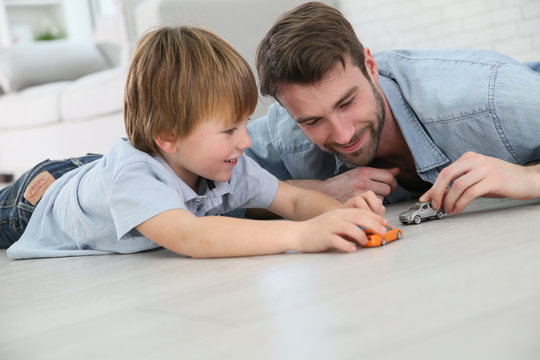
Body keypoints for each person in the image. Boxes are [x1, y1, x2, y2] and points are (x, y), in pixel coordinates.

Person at [1, 26, 388, 260]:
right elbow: (193, 237)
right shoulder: (134, 177)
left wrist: (339, 216)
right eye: (229, 130)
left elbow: (290, 199)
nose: (246, 140)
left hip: (91, 170)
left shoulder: (221, 162)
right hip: (38, 198)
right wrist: (302, 235)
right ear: (169, 136)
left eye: (243, 124)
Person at [246, 2, 540, 217]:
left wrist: (530, 178)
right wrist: (316, 193)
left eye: (347, 103)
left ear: (371, 67)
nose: (343, 134)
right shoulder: (285, 133)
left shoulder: (491, 98)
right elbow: (207, 194)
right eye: (312, 121)